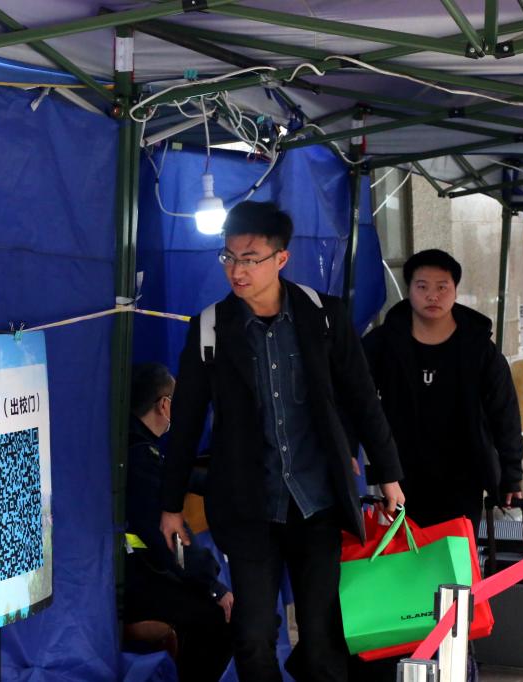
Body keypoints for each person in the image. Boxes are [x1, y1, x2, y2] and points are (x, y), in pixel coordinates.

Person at [160, 201, 405, 682]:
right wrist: (171, 505)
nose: (237, 270)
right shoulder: (209, 329)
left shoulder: (325, 317)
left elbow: (362, 400)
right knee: (252, 636)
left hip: (318, 502)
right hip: (248, 507)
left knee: (321, 637)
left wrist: (389, 475)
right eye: (229, 257)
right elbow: (185, 422)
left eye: (250, 258)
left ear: (281, 258)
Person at [363, 249, 523, 529]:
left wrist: (511, 474)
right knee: (407, 553)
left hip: (463, 476)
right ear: (409, 290)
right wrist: (351, 451)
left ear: (455, 290)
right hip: (400, 477)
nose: (432, 296)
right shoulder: (383, 344)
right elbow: (357, 399)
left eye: (442, 287)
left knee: (457, 553)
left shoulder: (479, 348)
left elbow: (504, 413)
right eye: (422, 287)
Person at [124, 363, 233, 682]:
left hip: (134, 571)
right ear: (164, 405)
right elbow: (171, 540)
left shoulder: (132, 446)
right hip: (135, 582)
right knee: (222, 617)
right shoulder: (140, 458)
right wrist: (212, 585)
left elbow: (172, 475)